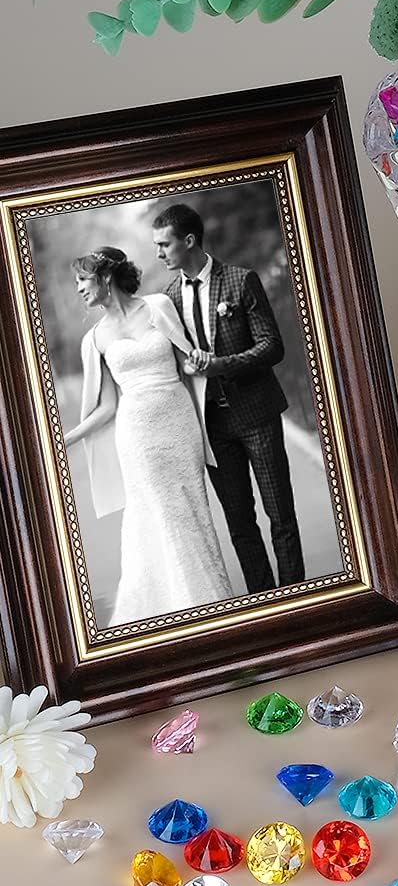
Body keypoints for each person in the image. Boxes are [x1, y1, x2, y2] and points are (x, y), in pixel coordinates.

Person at [63, 247, 233, 625]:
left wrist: (199, 362)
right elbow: (107, 406)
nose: (78, 288)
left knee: (191, 511)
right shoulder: (94, 339)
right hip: (137, 437)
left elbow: (186, 363)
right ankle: (184, 607)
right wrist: (65, 440)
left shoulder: (158, 307)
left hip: (180, 426)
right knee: (159, 512)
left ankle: (208, 600)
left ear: (106, 277)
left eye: (83, 279)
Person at [152, 204, 305, 593]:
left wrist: (221, 364)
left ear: (189, 241)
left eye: (164, 244)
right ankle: (264, 600)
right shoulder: (168, 299)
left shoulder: (240, 281)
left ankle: (296, 598)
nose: (159, 253)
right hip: (214, 428)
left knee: (280, 515)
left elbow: (272, 346)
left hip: (258, 415)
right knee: (240, 524)